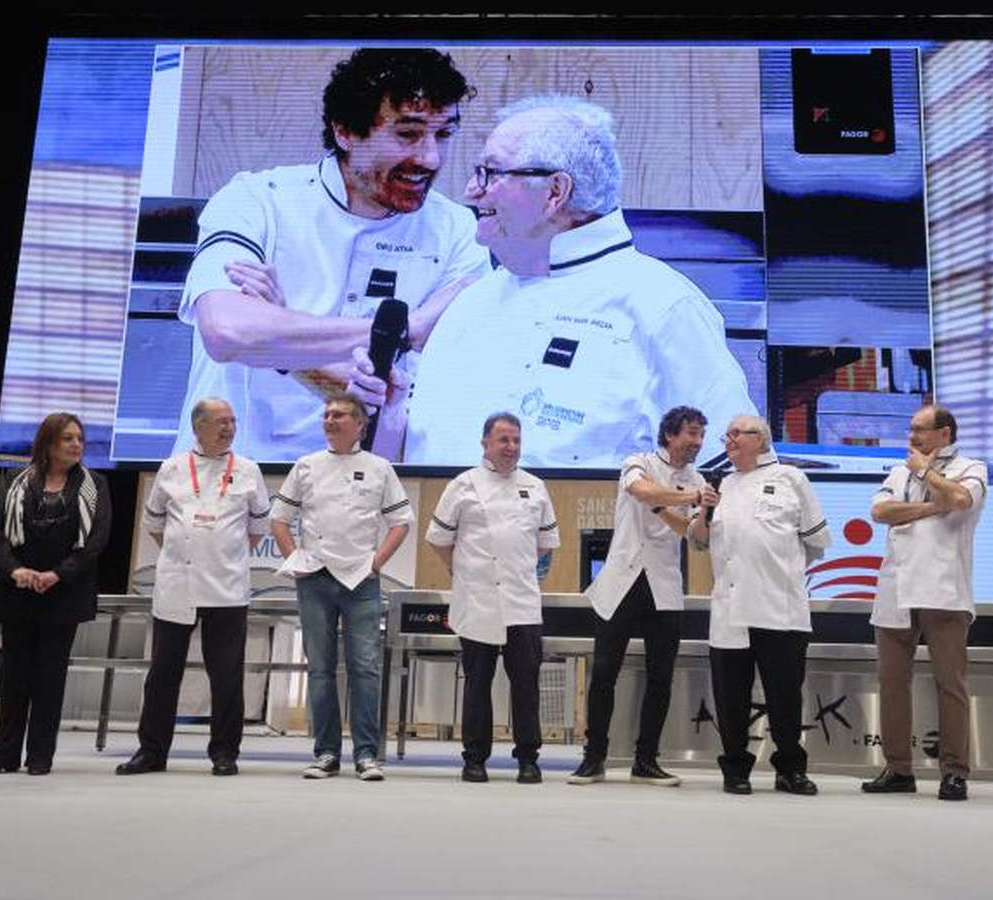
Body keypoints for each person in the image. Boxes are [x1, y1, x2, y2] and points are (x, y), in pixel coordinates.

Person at [405, 96, 756, 469]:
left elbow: (737, 472)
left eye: (491, 173)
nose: (471, 191)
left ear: (555, 191)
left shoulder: (663, 306)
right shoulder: (472, 302)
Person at [176, 48, 491, 462]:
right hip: (227, 477)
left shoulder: (459, 232)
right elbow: (228, 332)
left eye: (443, 135)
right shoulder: (257, 201)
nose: (430, 157)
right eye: (407, 134)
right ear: (345, 131)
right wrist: (402, 331)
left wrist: (281, 334)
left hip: (368, 489)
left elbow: (411, 399)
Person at [116, 398, 271, 777]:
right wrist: (185, 552)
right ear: (198, 426)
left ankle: (224, 753)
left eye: (233, 422)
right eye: (221, 422)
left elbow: (258, 529)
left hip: (227, 588)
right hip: (177, 586)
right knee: (163, 674)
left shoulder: (249, 471)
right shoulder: (171, 468)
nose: (229, 428)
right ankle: (151, 752)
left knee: (227, 676)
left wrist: (220, 553)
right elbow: (154, 523)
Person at [271, 389, 412, 781]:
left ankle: (367, 755)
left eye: (339, 415)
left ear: (360, 426)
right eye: (327, 414)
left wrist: (376, 563)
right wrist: (293, 558)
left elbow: (401, 523)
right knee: (319, 668)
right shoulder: (306, 465)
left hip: (361, 580)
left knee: (365, 668)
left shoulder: (381, 467)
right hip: (315, 578)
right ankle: (326, 754)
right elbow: (279, 519)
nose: (330, 420)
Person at [567, 406, 709, 788]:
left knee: (661, 677)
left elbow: (691, 536)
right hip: (623, 581)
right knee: (603, 674)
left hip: (664, 585)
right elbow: (639, 490)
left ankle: (646, 760)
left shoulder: (697, 479)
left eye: (701, 435)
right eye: (691, 433)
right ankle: (593, 758)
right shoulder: (638, 461)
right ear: (670, 435)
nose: (697, 442)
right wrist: (685, 497)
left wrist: (699, 513)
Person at [689, 415, 830, 796]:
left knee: (785, 695)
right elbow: (698, 541)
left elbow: (816, 542)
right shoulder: (718, 485)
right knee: (730, 696)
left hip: (780, 607)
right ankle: (735, 768)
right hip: (730, 608)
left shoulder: (791, 479)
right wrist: (705, 511)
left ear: (761, 439)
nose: (729, 440)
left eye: (738, 434)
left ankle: (790, 769)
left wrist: (780, 571)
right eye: (727, 434)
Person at [426, 413, 560, 783]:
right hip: (477, 599)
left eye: (516, 440)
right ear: (485, 442)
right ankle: (474, 758)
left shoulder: (535, 486)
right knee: (476, 683)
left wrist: (524, 574)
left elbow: (546, 545)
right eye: (503, 440)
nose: (511, 447)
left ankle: (528, 759)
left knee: (526, 685)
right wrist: (463, 572)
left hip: (522, 601)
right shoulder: (463, 484)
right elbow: (439, 539)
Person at [862, 404, 987, 802]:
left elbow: (961, 501)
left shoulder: (972, 467)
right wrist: (933, 507)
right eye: (910, 428)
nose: (912, 436)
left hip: (944, 589)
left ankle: (954, 772)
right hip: (896, 587)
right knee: (892, 681)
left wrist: (925, 474)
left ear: (945, 433)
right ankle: (898, 768)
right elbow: (881, 511)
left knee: (950, 684)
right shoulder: (898, 471)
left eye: (921, 429)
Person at [0, 413, 111, 776]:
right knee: (15, 676)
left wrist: (57, 574)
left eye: (79, 439)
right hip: (18, 589)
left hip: (63, 593)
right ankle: (4, 754)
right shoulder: (14, 481)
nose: (76, 444)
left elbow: (96, 540)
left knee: (49, 678)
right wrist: (15, 570)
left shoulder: (94, 484)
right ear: (48, 442)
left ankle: (40, 756)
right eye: (67, 438)